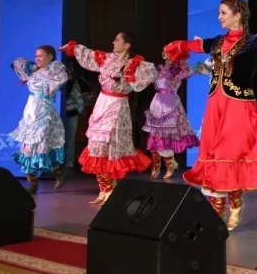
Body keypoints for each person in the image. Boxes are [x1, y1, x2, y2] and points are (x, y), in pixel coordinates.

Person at [164, 0, 257, 231]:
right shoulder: (217, 41)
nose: (219, 17)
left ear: (237, 15)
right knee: (213, 155)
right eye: (219, 13)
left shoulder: (253, 42)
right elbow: (196, 45)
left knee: (230, 155)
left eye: (223, 13)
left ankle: (235, 204)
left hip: (239, 107)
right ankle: (215, 211)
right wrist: (178, 46)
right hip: (216, 105)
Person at [58, 32, 157, 205]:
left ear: (127, 45)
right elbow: (90, 55)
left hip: (118, 106)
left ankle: (112, 189)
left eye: (117, 40)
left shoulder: (135, 64)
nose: (113, 42)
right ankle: (103, 189)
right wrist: (74, 47)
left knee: (112, 147)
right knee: (97, 146)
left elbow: (149, 76)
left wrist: (131, 74)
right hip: (102, 104)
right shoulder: (107, 58)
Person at [9, 46, 69, 194]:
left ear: (50, 56)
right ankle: (33, 184)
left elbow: (61, 78)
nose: (37, 59)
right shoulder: (33, 71)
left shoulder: (54, 71)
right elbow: (17, 63)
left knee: (43, 147)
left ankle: (59, 172)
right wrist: (33, 67)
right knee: (28, 149)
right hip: (31, 113)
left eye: (41, 56)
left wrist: (49, 67)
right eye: (36, 56)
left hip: (44, 113)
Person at [143, 50, 200, 179]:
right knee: (154, 134)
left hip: (169, 103)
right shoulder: (159, 69)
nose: (165, 53)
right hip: (157, 102)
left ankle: (170, 163)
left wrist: (181, 59)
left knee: (164, 134)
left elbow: (188, 72)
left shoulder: (178, 69)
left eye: (169, 51)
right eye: (164, 50)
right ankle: (156, 165)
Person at [62, 59, 90, 174]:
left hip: (72, 112)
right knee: (58, 139)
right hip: (57, 113)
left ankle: (69, 164)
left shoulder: (78, 81)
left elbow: (88, 94)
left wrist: (82, 99)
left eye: (71, 67)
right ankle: (58, 163)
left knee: (70, 139)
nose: (69, 69)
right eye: (67, 67)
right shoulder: (58, 79)